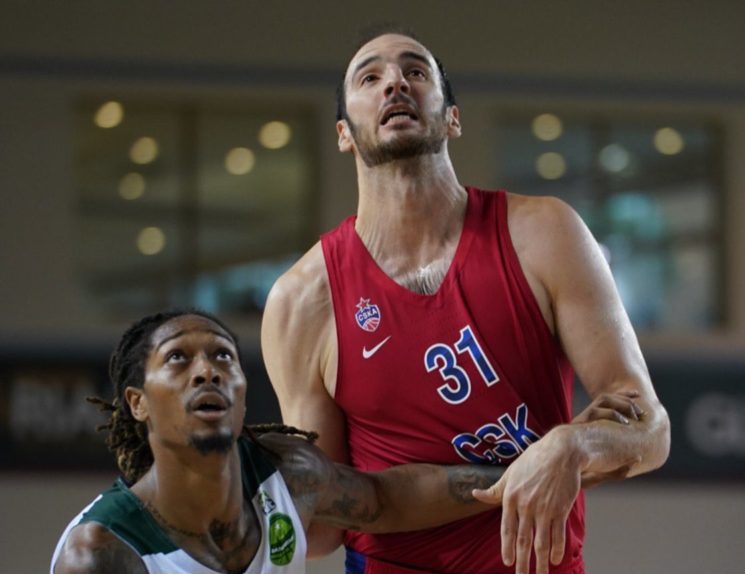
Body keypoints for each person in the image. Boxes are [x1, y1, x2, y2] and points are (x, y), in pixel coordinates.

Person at [261, 29, 671, 574]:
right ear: (343, 133)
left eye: (416, 71)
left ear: (452, 117)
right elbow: (322, 528)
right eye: (370, 77)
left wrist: (574, 445)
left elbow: (651, 433)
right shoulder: (301, 300)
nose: (395, 83)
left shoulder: (545, 233)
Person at [51, 310, 509, 574]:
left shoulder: (288, 475)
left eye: (223, 356)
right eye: (178, 358)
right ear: (138, 403)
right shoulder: (101, 554)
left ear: (243, 393)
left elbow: (388, 499)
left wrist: (515, 481)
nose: (207, 371)